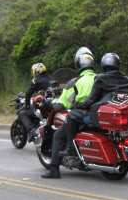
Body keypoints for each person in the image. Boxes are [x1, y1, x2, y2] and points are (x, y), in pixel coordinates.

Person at [41, 47, 96, 179]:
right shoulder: (99, 78)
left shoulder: (75, 82)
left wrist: (50, 103)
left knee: (58, 135)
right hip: (97, 116)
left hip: (81, 117)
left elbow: (63, 104)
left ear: (78, 63)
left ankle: (54, 170)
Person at [19, 63, 51, 136]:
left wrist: (27, 105)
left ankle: (32, 131)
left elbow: (28, 93)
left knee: (23, 113)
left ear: (36, 71)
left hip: (44, 105)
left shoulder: (36, 80)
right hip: (52, 104)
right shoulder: (51, 78)